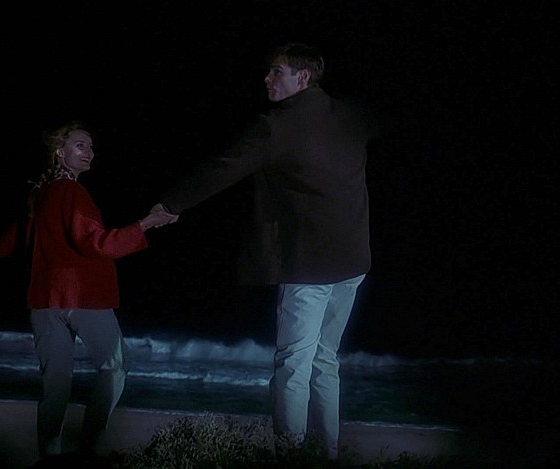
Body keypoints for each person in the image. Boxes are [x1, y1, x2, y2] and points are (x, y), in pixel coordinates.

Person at [148, 42, 385, 459]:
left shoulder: (277, 127)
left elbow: (222, 168)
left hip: (310, 265)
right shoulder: (352, 114)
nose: (267, 79)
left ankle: (291, 456)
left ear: (303, 77)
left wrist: (170, 205)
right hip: (353, 261)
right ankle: (326, 453)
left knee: (293, 363)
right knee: (325, 359)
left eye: (277, 72)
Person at [0, 121, 177, 460]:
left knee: (55, 384)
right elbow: (97, 243)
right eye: (80, 145)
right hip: (82, 297)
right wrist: (146, 224)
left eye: (91, 147)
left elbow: (8, 245)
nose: (89, 152)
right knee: (116, 366)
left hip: (43, 301)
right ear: (59, 152)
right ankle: (90, 448)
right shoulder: (71, 192)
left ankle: (50, 456)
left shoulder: (40, 194)